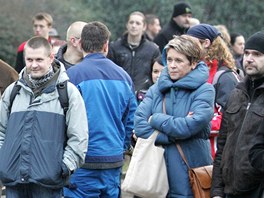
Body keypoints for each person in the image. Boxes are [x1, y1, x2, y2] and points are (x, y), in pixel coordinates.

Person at [0, 36, 88, 198]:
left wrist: (64, 167)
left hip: (48, 183)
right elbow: (1, 131)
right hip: (14, 181)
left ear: (51, 58)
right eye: (29, 59)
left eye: (39, 59)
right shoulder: (12, 92)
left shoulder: (68, 93)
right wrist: (2, 161)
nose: (34, 65)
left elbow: (79, 137)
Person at [134, 35, 215, 197]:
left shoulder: (205, 90)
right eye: (169, 60)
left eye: (178, 61)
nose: (172, 65)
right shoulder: (156, 89)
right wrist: (173, 132)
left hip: (191, 170)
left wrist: (155, 119)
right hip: (155, 171)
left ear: (192, 63)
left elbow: (189, 126)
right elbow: (140, 126)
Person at [63, 21, 137, 198]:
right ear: (106, 45)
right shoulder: (124, 77)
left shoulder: (72, 76)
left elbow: (62, 119)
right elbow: (131, 119)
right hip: (112, 159)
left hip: (81, 163)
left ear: (80, 45)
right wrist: (121, 147)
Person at [211, 31, 264, 198]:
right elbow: (223, 146)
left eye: (257, 54)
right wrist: (217, 192)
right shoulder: (236, 94)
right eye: (247, 53)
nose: (248, 58)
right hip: (229, 191)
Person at [186, 24, 240, 158]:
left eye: (190, 42)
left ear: (205, 43)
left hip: (215, 156)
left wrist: (192, 124)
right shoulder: (194, 71)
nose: (185, 47)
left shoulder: (225, 77)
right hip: (194, 151)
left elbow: (229, 118)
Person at [108, 11, 160, 92]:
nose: (134, 26)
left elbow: (158, 73)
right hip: (119, 93)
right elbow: (109, 72)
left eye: (138, 23)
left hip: (144, 95)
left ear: (144, 27)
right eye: (131, 22)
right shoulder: (114, 47)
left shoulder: (153, 49)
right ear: (127, 25)